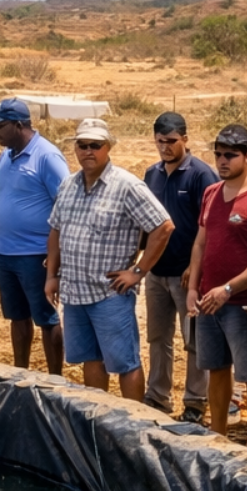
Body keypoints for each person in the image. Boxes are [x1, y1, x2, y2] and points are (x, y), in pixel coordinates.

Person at [45, 118, 175, 400]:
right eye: (82, 145)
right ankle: (98, 421)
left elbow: (163, 227)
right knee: (91, 359)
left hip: (110, 295)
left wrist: (138, 271)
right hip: (75, 292)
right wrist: (51, 276)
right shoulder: (68, 185)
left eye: (95, 145)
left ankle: (134, 424)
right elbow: (55, 229)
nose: (88, 151)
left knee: (125, 364)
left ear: (108, 148)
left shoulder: (127, 186)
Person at [186, 124, 247, 448]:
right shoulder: (211, 193)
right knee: (215, 368)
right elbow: (200, 244)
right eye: (218, 154)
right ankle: (219, 435)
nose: (222, 161)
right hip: (208, 299)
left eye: (230, 155)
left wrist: (228, 288)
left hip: (243, 302)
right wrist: (193, 289)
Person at [142, 111, 218, 422]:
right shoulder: (151, 174)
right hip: (156, 273)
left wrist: (196, 268)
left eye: (171, 141)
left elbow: (212, 227)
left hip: (188, 275)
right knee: (158, 338)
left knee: (195, 342)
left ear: (185, 139)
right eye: (160, 142)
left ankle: (195, 403)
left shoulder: (201, 175)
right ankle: (158, 397)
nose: (165, 147)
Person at [0, 98, 69, 371]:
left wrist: (57, 256)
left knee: (46, 318)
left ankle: (54, 378)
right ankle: (20, 372)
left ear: (19, 125)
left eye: (1, 126)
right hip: (6, 252)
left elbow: (65, 205)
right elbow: (4, 197)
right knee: (17, 317)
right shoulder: (5, 155)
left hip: (36, 254)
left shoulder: (48, 157)